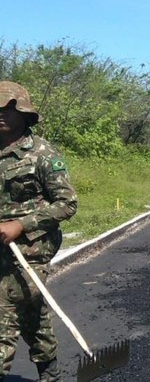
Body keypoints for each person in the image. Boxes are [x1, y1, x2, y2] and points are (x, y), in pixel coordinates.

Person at [0, 81, 77, 381]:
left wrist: (20, 225)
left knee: (4, 316)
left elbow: (67, 204)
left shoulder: (43, 154)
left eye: (9, 108)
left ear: (24, 113)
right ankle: (51, 374)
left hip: (30, 252)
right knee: (34, 317)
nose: (2, 115)